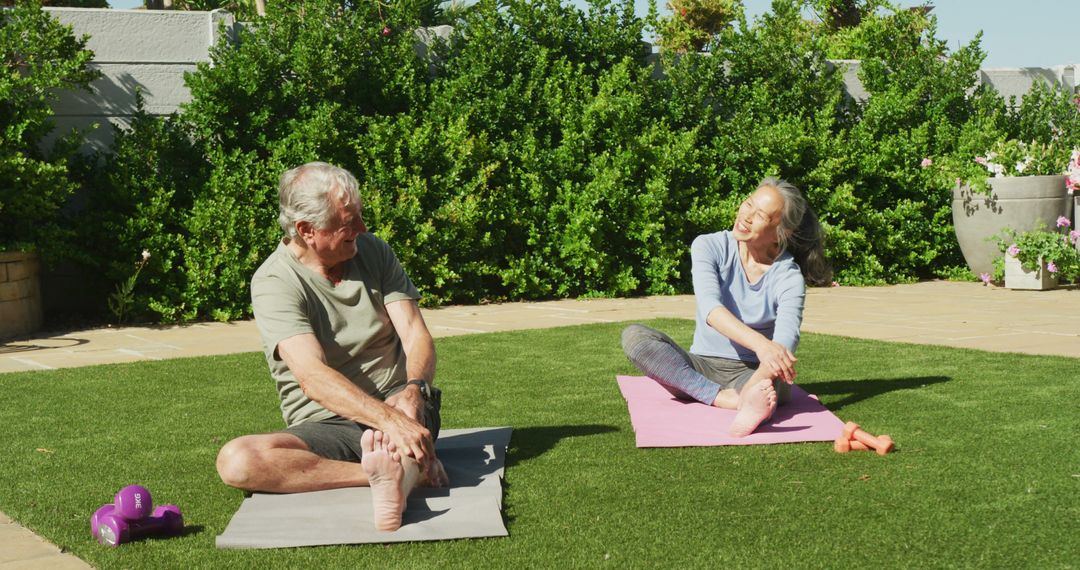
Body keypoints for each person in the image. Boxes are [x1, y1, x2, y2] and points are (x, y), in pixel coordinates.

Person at [215, 162, 446, 531]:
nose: (363, 229)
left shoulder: (375, 252)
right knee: (237, 461)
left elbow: (416, 334)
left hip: (404, 406)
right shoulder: (274, 281)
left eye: (360, 216)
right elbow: (313, 378)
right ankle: (387, 474)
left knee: (403, 432)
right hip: (329, 425)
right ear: (307, 230)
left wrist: (414, 392)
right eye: (349, 222)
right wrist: (386, 422)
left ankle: (398, 464)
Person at [621, 176, 831, 437]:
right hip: (700, 368)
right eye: (748, 204)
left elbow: (784, 347)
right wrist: (761, 347)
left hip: (755, 372)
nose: (747, 216)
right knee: (635, 338)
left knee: (768, 385)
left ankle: (752, 401)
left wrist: (758, 379)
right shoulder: (708, 246)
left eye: (762, 215)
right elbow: (711, 310)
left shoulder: (788, 276)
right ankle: (727, 400)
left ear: (782, 232)